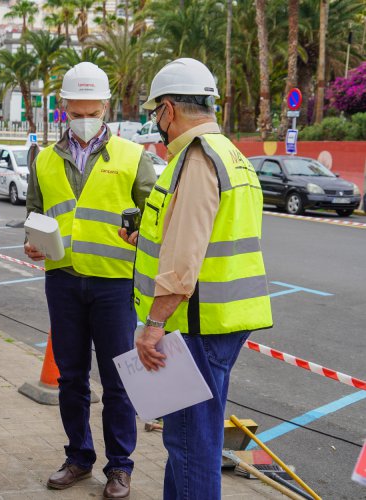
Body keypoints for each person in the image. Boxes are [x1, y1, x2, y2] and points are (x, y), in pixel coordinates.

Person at [121, 58, 273, 499]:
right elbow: (204, 239)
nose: (157, 124)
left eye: (155, 114)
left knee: (190, 444)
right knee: (193, 439)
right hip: (222, 319)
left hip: (196, 323)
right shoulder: (232, 155)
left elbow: (185, 255)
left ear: (168, 110)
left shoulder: (197, 158)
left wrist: (153, 326)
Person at [23, 62, 156, 499]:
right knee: (71, 378)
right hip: (62, 281)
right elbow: (35, 215)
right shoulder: (43, 158)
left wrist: (143, 236)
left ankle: (120, 467)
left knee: (118, 380)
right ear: (64, 107)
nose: (84, 116)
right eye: (75, 108)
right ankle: (79, 457)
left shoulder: (134, 157)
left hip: (115, 284)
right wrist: (34, 242)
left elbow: (156, 221)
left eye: (91, 108)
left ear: (105, 105)